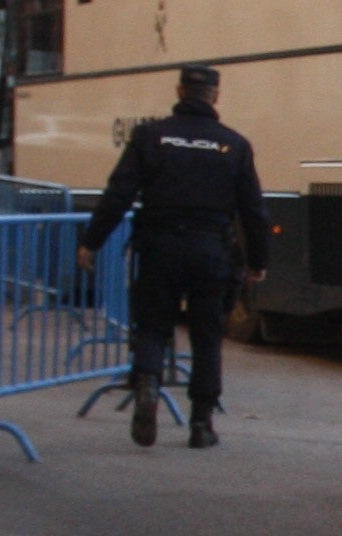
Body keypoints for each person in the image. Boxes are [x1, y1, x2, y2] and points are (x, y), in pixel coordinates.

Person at [81, 60, 267, 449]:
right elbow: (253, 211)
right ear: (216, 96)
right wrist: (258, 261)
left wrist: (92, 240)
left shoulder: (151, 137)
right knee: (207, 335)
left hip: (159, 246)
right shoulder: (234, 144)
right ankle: (201, 423)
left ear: (180, 92)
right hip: (211, 250)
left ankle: (148, 385)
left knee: (152, 326)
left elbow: (119, 193)